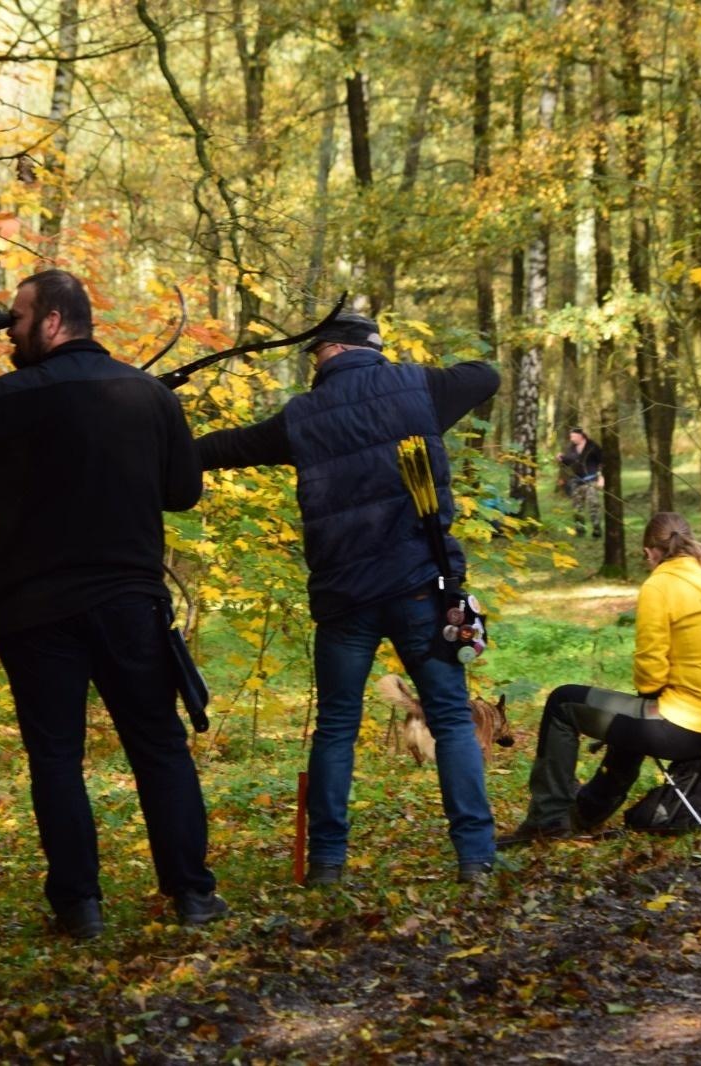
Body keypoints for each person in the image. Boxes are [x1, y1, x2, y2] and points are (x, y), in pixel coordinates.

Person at [0, 269, 225, 938]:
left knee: (56, 755)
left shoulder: (10, 396)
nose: (9, 335)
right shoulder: (147, 396)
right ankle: (192, 894)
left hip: (32, 608)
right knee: (159, 745)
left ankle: (79, 906)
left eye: (17, 322)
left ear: (52, 320)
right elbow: (183, 493)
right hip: (128, 603)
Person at [196, 310, 500, 885]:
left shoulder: (303, 417)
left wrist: (163, 448)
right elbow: (483, 375)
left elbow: (226, 447)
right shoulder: (420, 387)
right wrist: (409, 376)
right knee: (452, 720)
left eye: (314, 355)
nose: (313, 366)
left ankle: (328, 865)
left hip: (343, 599)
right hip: (418, 589)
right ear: (372, 349)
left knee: (336, 726)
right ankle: (476, 858)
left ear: (330, 351)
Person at [499, 512, 701, 844]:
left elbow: (650, 677)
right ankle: (589, 809)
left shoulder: (661, 584)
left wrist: (663, 686)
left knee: (562, 701)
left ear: (649, 553)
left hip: (697, 728)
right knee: (631, 712)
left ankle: (547, 819)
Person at [558, 427, 603, 537]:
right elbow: (568, 461)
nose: (571, 439)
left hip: (591, 481)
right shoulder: (572, 448)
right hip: (576, 482)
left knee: (594, 505)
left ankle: (596, 530)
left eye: (573, 436)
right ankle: (580, 531)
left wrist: (602, 477)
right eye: (570, 437)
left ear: (581, 436)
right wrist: (561, 459)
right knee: (577, 508)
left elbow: (602, 462)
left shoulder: (593, 446)